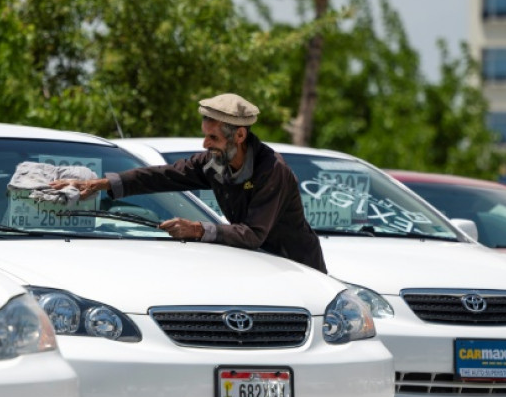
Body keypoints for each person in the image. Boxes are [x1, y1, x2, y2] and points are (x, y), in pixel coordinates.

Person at [50, 93, 327, 273]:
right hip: (255, 264)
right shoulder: (212, 161)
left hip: (297, 268)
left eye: (213, 138)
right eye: (205, 136)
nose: (205, 144)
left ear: (239, 136)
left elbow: (252, 234)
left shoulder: (271, 170)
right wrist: (102, 184)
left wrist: (196, 229)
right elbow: (163, 175)